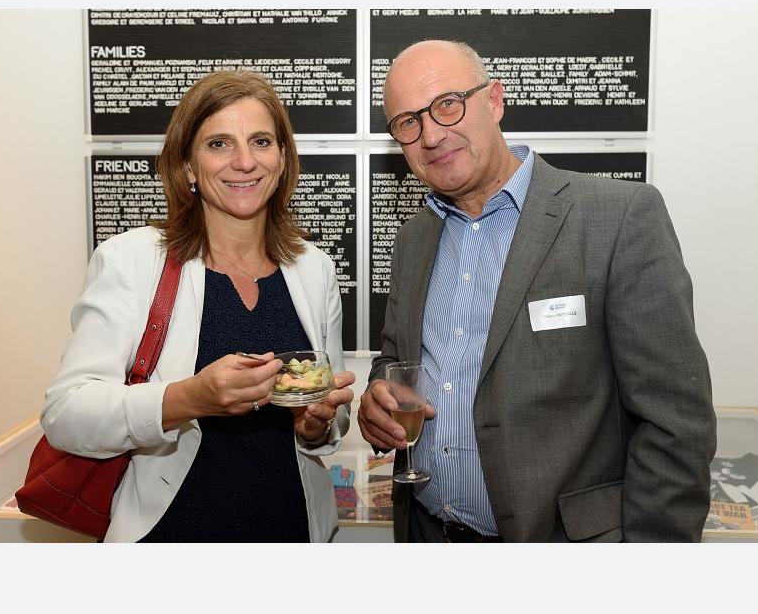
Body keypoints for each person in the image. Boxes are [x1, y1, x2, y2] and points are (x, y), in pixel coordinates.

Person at [358, 40, 716, 542]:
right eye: (407, 123)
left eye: (447, 105)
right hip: (426, 532)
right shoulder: (414, 238)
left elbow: (676, 422)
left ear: (494, 100)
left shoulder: (618, 217)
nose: (431, 135)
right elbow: (397, 360)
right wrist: (378, 396)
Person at [41, 70, 355, 543]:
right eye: (219, 144)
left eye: (261, 141)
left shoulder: (315, 268)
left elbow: (330, 417)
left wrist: (316, 423)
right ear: (187, 166)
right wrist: (190, 398)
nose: (244, 162)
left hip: (290, 529)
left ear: (282, 158)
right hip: (172, 532)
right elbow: (66, 414)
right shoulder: (132, 260)